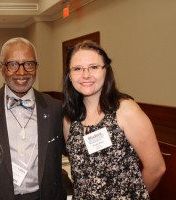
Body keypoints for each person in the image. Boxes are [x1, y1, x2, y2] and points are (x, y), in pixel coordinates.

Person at [62, 40, 165, 199]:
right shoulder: (70, 118)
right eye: (77, 69)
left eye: (94, 67)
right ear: (69, 75)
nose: (86, 75)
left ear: (106, 70)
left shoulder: (126, 110)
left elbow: (156, 168)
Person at [0, 37, 66, 200]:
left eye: (29, 64)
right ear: (1, 69)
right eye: (13, 65)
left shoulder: (55, 109)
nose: (22, 72)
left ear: (36, 67)